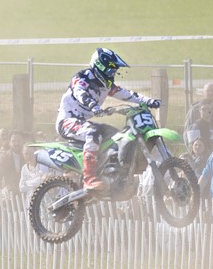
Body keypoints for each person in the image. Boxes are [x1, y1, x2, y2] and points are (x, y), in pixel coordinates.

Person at [55, 47, 161, 191]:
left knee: (116, 136)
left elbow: (127, 94)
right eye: (111, 70)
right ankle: (89, 178)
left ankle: (110, 173)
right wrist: (92, 104)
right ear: (100, 67)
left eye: (114, 71)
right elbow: (80, 93)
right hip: (67, 122)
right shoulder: (82, 78)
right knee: (93, 132)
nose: (113, 74)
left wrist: (149, 101)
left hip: (83, 122)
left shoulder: (106, 85)